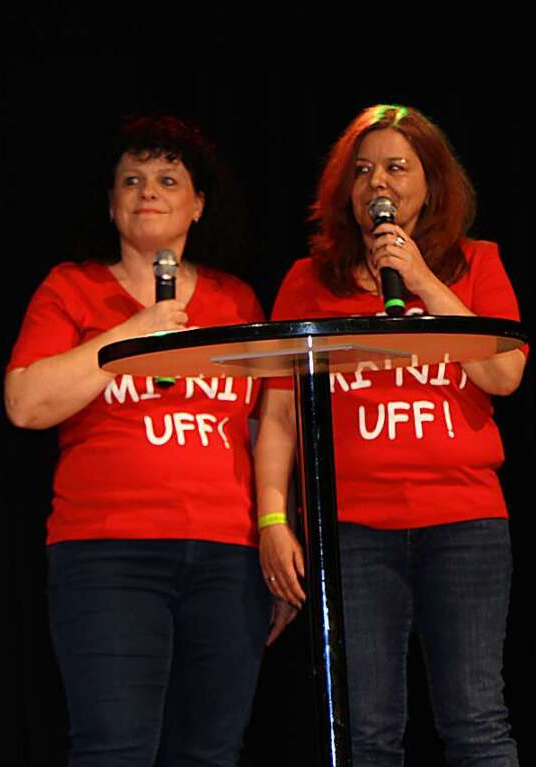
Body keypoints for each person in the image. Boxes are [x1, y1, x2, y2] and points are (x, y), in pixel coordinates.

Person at [256, 104, 525, 767]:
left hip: (463, 522)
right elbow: (281, 413)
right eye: (362, 170)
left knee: (475, 722)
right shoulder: (306, 280)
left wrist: (423, 279)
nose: (377, 181)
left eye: (396, 166)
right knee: (364, 733)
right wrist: (271, 515)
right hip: (353, 529)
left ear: (429, 181)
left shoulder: (476, 264)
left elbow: (502, 373)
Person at [5, 115, 277, 767]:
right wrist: (129, 334)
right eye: (131, 180)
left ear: (198, 204)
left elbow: (266, 423)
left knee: (210, 750)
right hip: (107, 553)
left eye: (166, 179)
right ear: (110, 203)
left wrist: (274, 525)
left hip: (225, 556)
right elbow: (25, 403)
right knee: (115, 748)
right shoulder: (71, 287)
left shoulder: (236, 300)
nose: (147, 191)